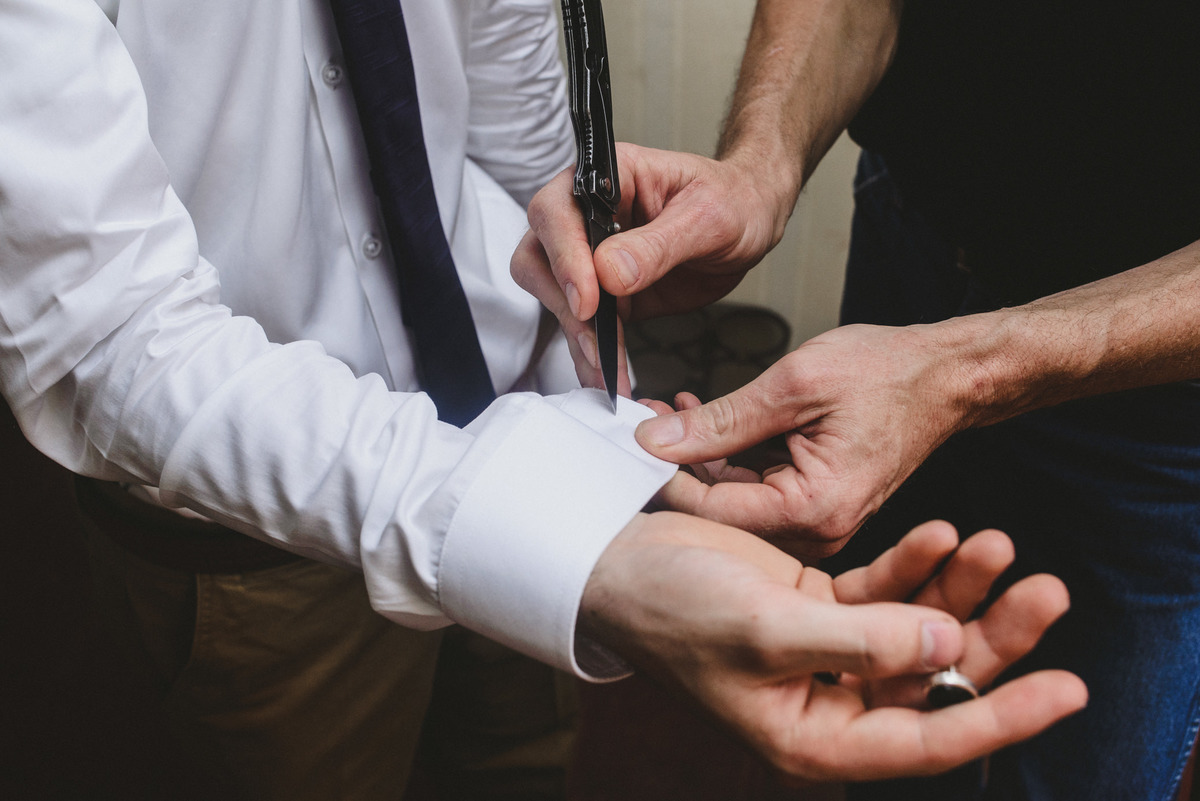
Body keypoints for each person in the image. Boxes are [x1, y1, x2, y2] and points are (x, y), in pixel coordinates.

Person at [1, 1, 1085, 799]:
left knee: (517, 767)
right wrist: (567, 550)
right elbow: (109, 332)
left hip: (537, 417)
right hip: (249, 523)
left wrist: (584, 342)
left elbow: (511, 55)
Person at [513, 1, 1200, 799]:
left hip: (1162, 400)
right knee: (886, 705)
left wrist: (962, 371)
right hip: (908, 240)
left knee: (1084, 764)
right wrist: (760, 164)